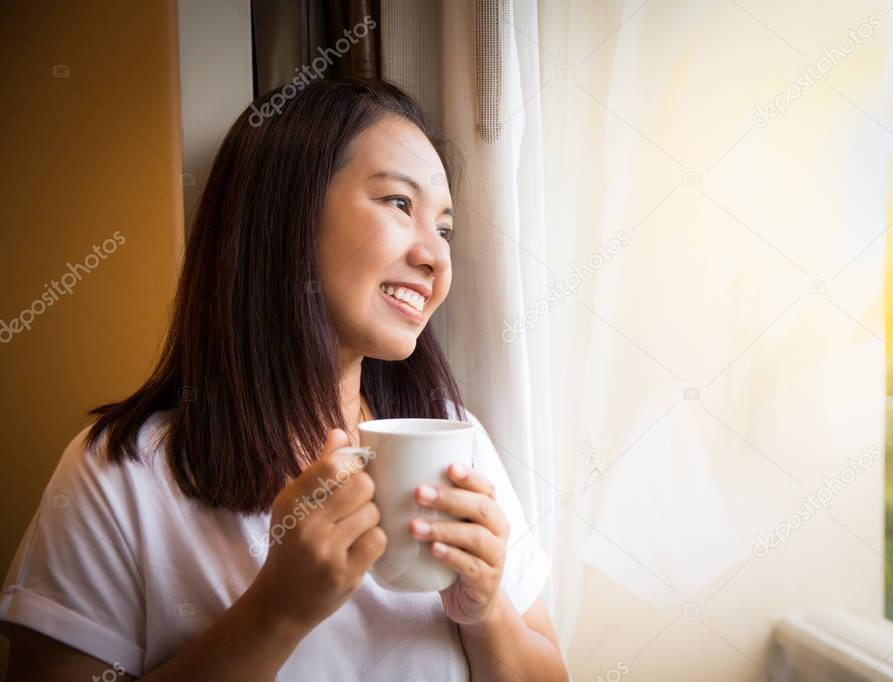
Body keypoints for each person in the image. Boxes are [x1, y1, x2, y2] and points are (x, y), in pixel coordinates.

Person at [0, 78, 568, 681]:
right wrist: (278, 612)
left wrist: (486, 613)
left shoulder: (454, 436)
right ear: (286, 215)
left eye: (445, 228)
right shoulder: (120, 473)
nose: (436, 257)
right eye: (399, 204)